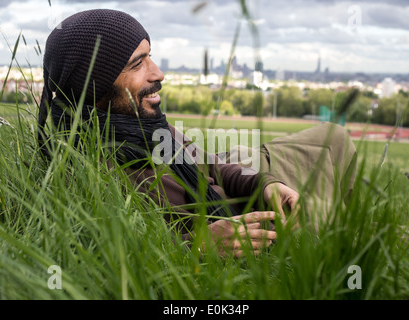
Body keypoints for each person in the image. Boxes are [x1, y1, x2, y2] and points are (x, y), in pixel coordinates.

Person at [38, 9, 357, 257]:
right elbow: (115, 258)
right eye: (138, 64)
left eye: (150, 55)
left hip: (234, 185)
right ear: (94, 87)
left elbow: (214, 167)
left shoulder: (148, 128)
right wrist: (199, 246)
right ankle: (360, 233)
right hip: (233, 216)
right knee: (319, 222)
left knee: (334, 137)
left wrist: (267, 185)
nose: (158, 73)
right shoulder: (85, 172)